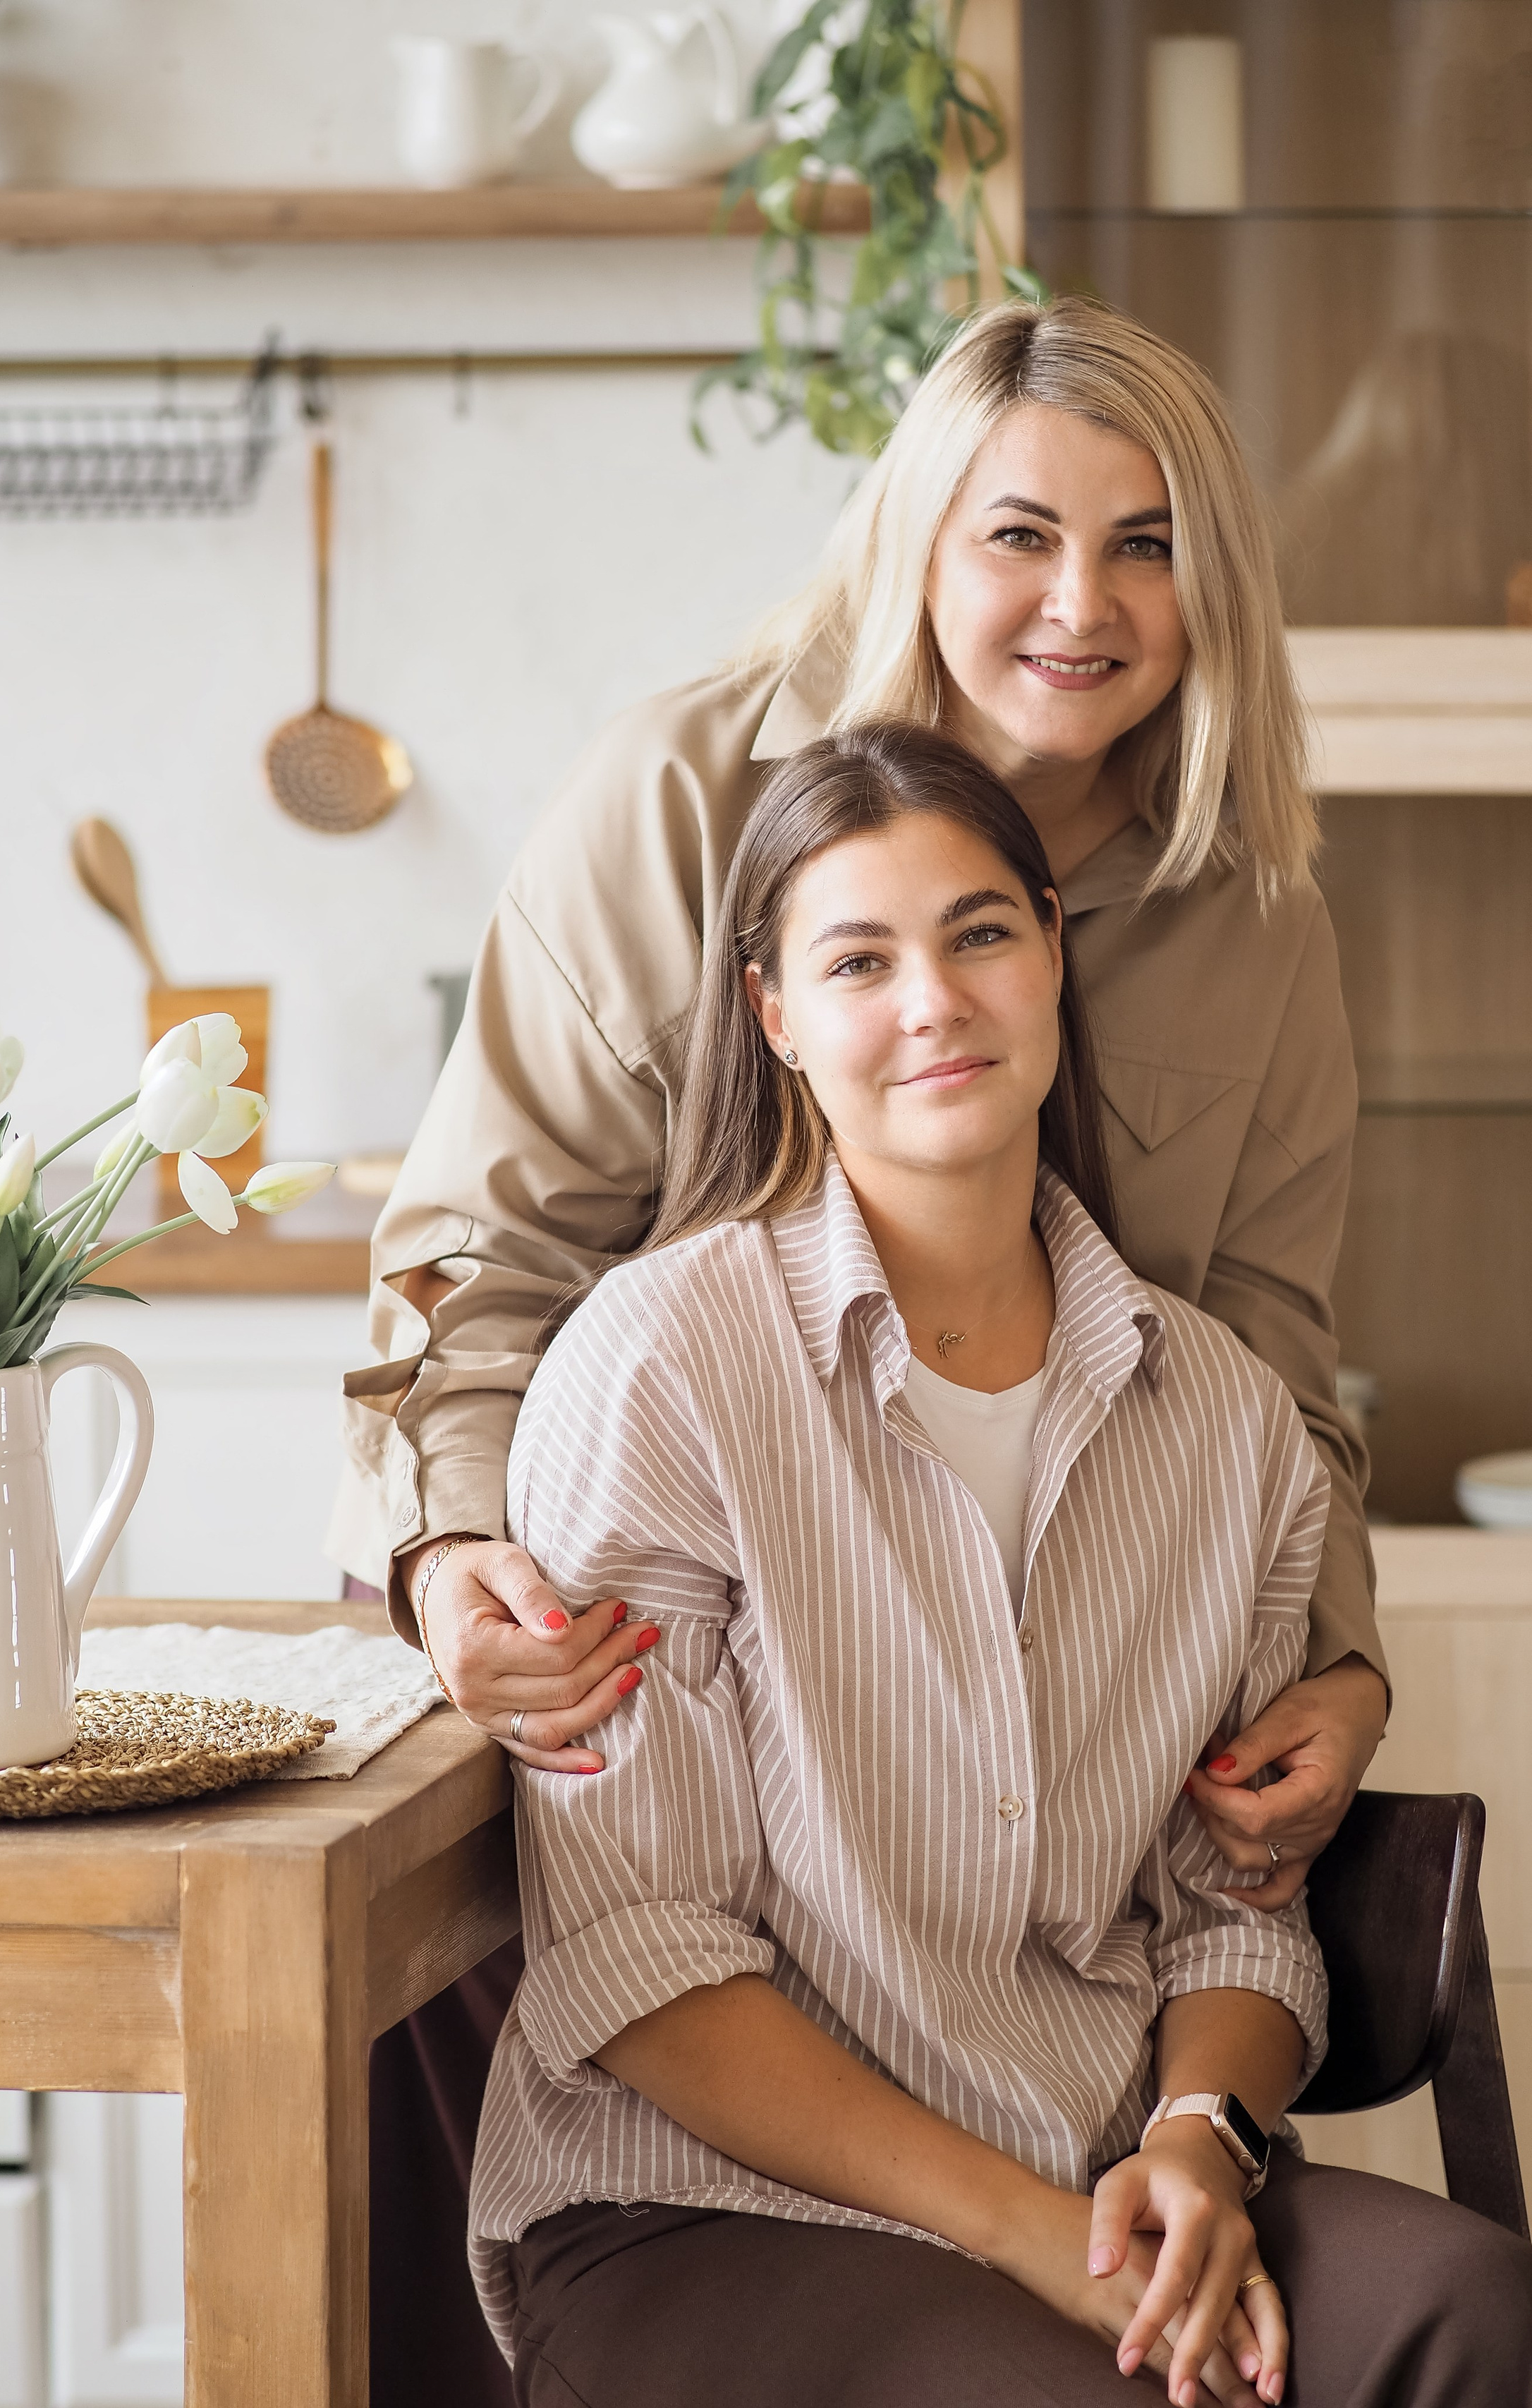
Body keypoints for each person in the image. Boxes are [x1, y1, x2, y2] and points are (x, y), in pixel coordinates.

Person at [342, 296, 1390, 2400]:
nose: (1081, 604)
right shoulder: (674, 805)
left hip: (1071, 1880)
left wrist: (1335, 1662)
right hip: (705, 1774)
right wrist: (456, 1562)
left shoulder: (1253, 916)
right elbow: (480, 1261)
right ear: (915, 535)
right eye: (1020, 533)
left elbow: (1270, 1366)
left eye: (1150, 543)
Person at [469, 722, 1532, 2408]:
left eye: (977, 934)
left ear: (1051, 949)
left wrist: (1198, 2138)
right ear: (773, 1018)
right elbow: (638, 1957)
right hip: (710, 2212)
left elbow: (1232, 1918)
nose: (932, 1003)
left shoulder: (1221, 1416)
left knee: (1470, 2312)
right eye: (856, 960)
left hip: (1112, 2168)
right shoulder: (659, 1363)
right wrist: (1029, 2231)